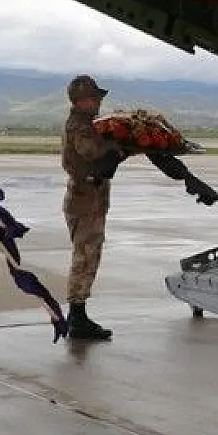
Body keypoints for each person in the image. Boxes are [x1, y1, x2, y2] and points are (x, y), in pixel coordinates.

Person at [61, 74, 123, 341]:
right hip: (85, 199)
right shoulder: (80, 126)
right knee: (85, 257)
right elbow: (93, 152)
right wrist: (118, 143)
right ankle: (76, 316)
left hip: (90, 197)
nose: (99, 102)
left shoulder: (86, 123)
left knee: (89, 255)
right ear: (84, 100)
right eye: (95, 98)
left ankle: (79, 313)